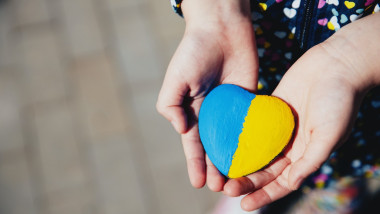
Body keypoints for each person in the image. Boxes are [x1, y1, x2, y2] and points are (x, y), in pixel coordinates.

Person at [157, 0, 380, 212]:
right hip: (252, 60)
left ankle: (332, 206)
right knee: (296, 164)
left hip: (368, 105)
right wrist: (214, 14)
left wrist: (354, 59)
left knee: (339, 176)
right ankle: (250, 172)